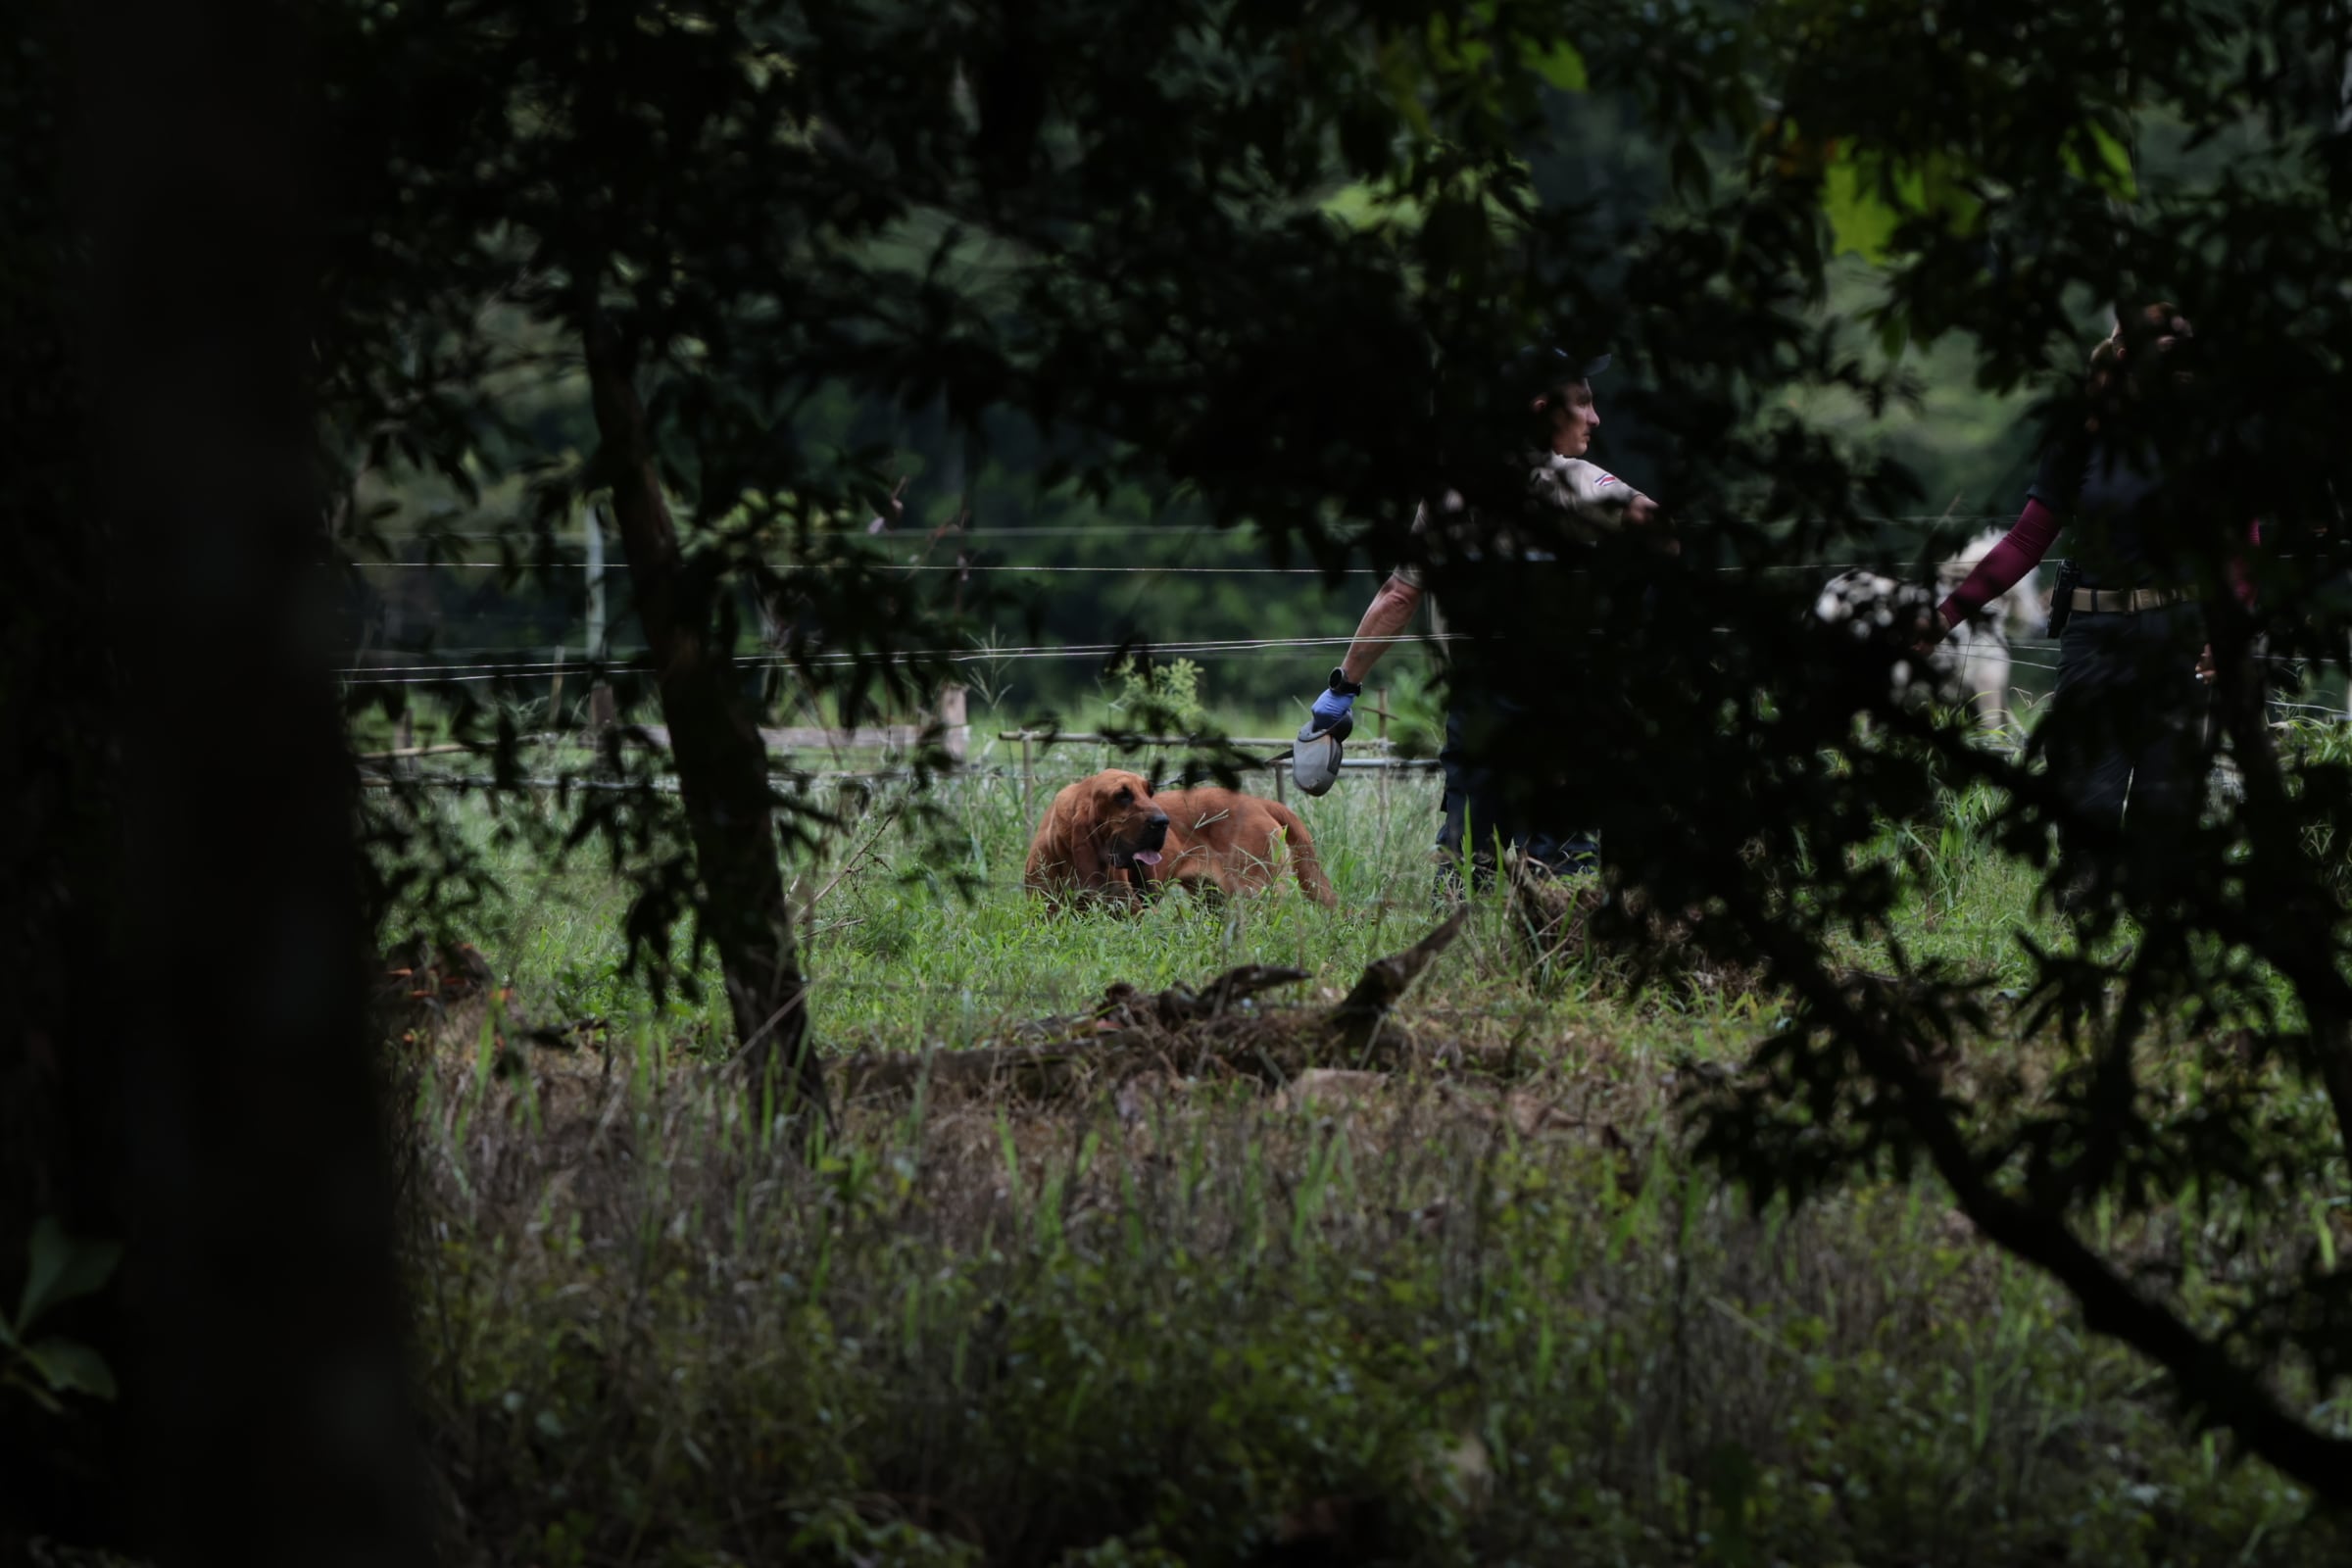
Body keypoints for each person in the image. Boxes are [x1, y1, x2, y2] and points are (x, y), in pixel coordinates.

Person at [1292, 347, 1676, 891]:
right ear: (1543, 410)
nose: (1596, 418)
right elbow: (1658, 529)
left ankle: (1461, 968)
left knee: (1469, 859)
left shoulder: (1452, 491)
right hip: (1564, 707)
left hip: (1478, 707)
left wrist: (1343, 689)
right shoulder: (1575, 480)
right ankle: (1560, 964)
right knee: (1563, 862)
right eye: (1584, 404)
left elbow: (1399, 595)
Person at [1931, 302, 2258, 916]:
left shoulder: (2211, 438)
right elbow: (2027, 541)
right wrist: (1945, 615)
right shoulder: (2082, 436)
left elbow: (2244, 543)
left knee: (2167, 802)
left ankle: (2156, 934)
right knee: (2089, 795)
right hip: (2094, 633)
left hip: (2176, 634)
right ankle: (2083, 918)